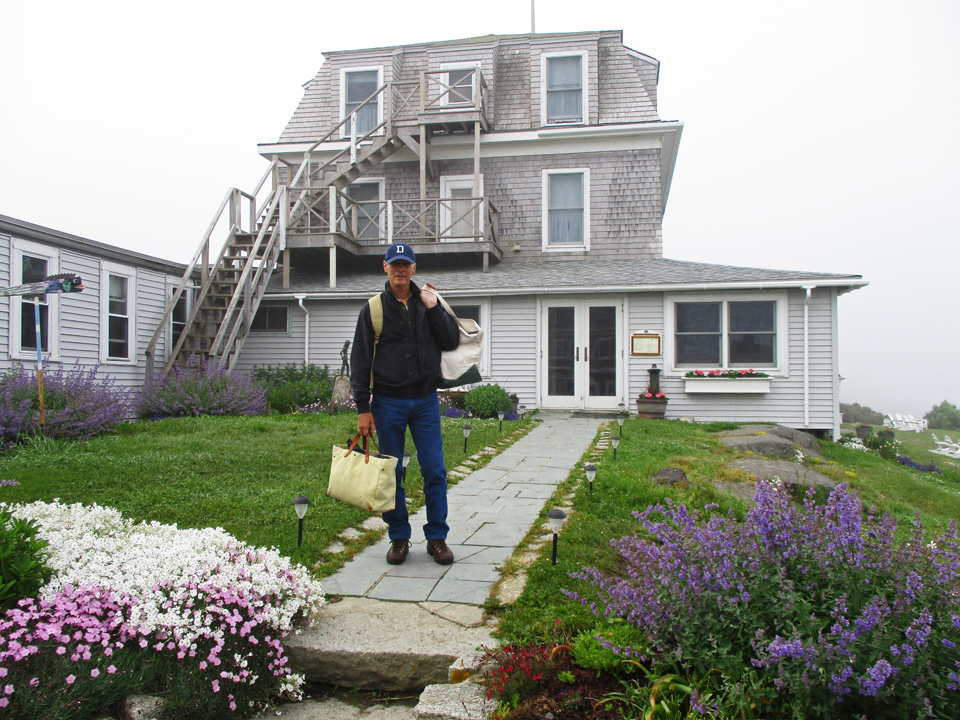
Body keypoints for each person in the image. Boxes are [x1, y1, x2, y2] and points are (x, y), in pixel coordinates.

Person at [350, 242, 461, 566]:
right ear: (385, 267)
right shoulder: (373, 309)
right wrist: (363, 409)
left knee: (435, 470)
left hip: (425, 401)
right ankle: (398, 537)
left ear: (414, 268)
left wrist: (434, 307)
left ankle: (437, 537)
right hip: (388, 403)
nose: (400, 269)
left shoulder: (428, 302)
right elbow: (360, 362)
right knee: (391, 472)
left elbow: (451, 340)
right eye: (395, 264)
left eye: (406, 264)